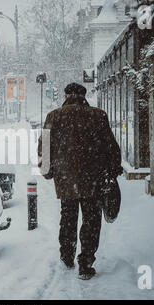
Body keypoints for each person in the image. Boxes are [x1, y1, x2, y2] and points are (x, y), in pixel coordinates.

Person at [38, 82, 122, 280]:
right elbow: (111, 146)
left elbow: (44, 147)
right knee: (91, 220)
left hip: (66, 178)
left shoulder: (54, 116)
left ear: (66, 96)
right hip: (93, 179)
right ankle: (85, 262)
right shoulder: (98, 115)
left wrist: (47, 171)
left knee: (68, 216)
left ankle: (67, 255)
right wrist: (113, 169)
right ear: (84, 97)